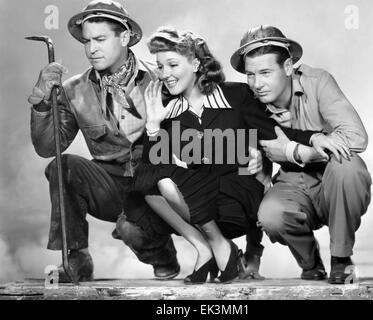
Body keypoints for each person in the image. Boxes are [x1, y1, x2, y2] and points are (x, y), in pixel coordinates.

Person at [139, 27, 338, 283]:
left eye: (172, 65)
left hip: (238, 202)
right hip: (201, 205)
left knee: (178, 182)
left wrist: (314, 137)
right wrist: (154, 124)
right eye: (160, 67)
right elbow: (150, 172)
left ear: (196, 63)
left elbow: (274, 132)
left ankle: (219, 246)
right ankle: (208, 247)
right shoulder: (171, 111)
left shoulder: (236, 95)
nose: (165, 74)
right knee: (152, 188)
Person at [28, 0, 181, 282]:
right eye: (86, 41)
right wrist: (40, 101)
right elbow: (48, 147)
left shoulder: (162, 78)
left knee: (131, 229)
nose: (91, 49)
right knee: (62, 165)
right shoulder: (74, 89)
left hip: (160, 184)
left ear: (124, 37)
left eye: (100, 39)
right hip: (112, 185)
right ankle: (77, 258)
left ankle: (163, 254)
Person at [230, 25, 372, 284]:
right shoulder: (249, 106)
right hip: (291, 184)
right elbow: (255, 179)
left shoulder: (318, 82)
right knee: (270, 214)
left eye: (265, 72)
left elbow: (356, 137)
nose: (257, 84)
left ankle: (341, 259)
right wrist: (253, 252)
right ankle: (310, 263)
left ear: (287, 67)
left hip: (333, 177)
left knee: (349, 167)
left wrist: (297, 152)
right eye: (250, 75)